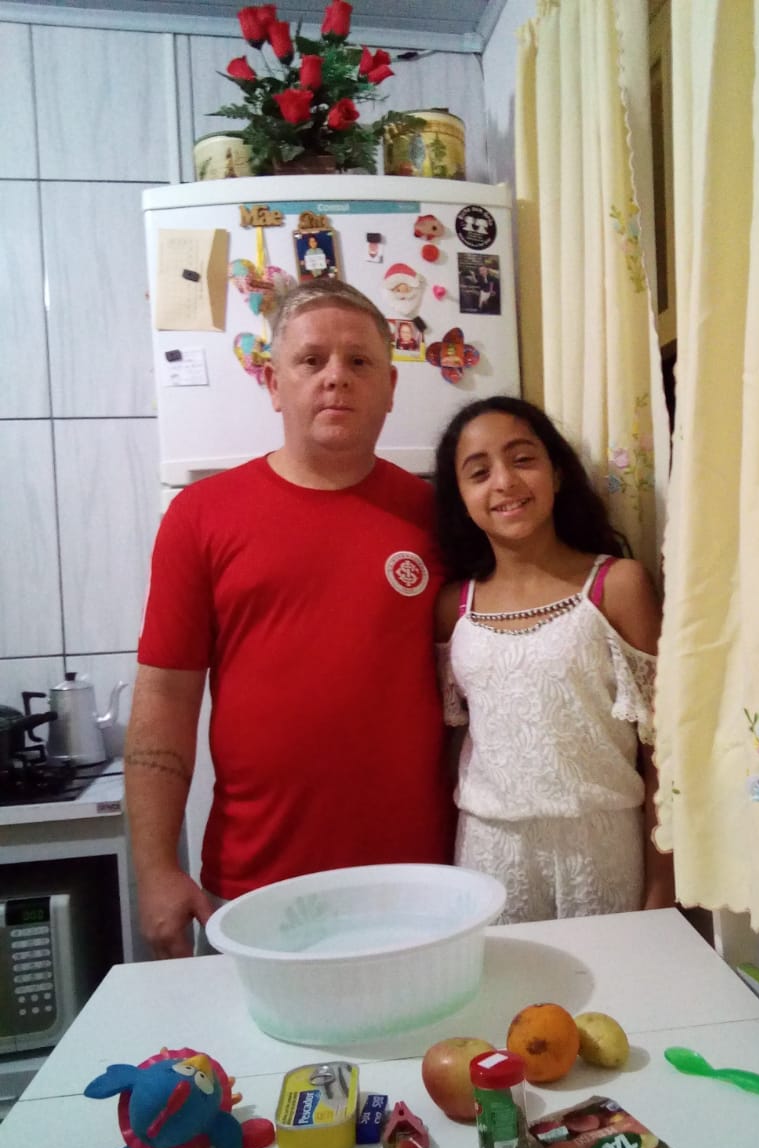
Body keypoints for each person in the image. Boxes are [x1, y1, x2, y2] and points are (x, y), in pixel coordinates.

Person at [127, 278, 452, 959]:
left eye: (359, 361)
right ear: (275, 385)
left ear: (391, 388)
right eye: (311, 360)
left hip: (422, 883)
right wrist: (155, 868)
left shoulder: (439, 518)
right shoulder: (200, 517)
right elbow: (165, 698)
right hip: (255, 889)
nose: (336, 377)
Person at [433, 395, 673, 924]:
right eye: (479, 472)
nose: (505, 482)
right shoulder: (454, 607)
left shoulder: (618, 586)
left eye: (523, 459)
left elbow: (664, 749)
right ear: (462, 499)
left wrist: (663, 887)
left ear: (557, 473)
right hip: (488, 850)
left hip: (601, 846)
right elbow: (457, 740)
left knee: (608, 977)